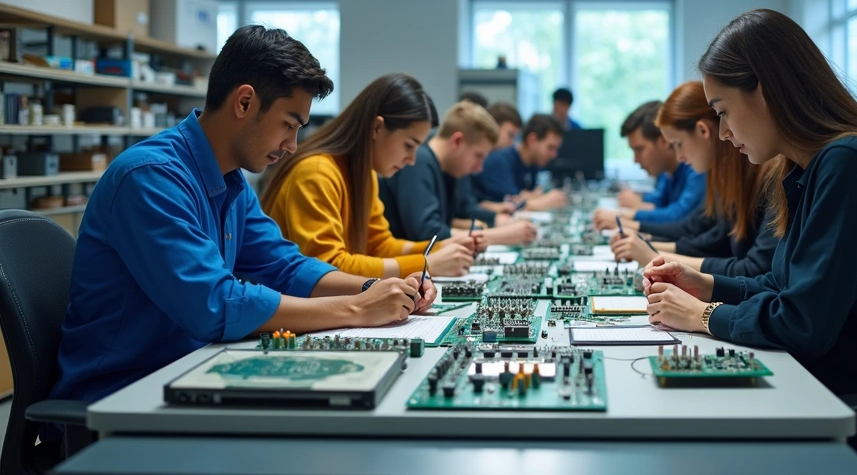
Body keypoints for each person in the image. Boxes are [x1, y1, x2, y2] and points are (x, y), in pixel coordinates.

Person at [46, 26, 436, 415]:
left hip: (191, 375)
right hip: (119, 402)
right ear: (245, 102)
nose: (292, 146)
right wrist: (357, 309)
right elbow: (214, 304)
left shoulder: (230, 181)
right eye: (288, 124)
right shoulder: (149, 177)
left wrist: (378, 289)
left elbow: (283, 266)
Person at [641, 9, 857, 469]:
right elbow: (786, 285)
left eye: (724, 111)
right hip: (829, 387)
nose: (724, 133)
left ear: (764, 90)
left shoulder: (849, 163)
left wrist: (704, 315)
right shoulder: (809, 168)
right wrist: (706, 285)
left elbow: (802, 324)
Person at [261, 73, 477, 279]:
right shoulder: (316, 172)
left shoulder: (365, 173)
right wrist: (425, 263)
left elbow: (379, 245)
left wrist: (439, 247)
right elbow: (328, 267)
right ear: (377, 127)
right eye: (408, 145)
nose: (412, 159)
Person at [609, 82, 777, 277]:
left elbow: (754, 270)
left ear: (704, 131)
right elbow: (714, 236)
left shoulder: (766, 177)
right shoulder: (732, 176)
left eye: (678, 144)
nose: (679, 157)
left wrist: (655, 255)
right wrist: (652, 250)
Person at [379, 101, 538, 245]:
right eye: (478, 156)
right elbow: (427, 233)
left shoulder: (452, 168)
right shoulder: (418, 162)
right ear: (457, 141)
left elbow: (465, 210)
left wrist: (497, 219)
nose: (479, 168)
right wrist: (499, 235)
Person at [592, 93, 706, 229]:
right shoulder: (667, 172)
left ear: (664, 140)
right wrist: (640, 201)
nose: (635, 160)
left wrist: (624, 216)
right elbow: (660, 201)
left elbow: (679, 215)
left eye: (639, 149)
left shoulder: (697, 165)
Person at [471, 114, 568, 211]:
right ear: (532, 140)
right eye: (550, 148)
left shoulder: (534, 164)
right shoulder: (499, 161)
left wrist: (527, 197)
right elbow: (511, 205)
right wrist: (543, 201)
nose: (554, 155)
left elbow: (524, 197)